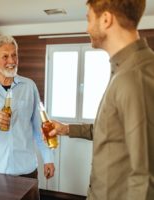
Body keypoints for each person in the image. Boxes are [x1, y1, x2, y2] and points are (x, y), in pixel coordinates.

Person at [47, 0, 154, 199]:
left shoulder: (135, 77)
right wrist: (66, 129)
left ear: (106, 19)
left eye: (89, 19)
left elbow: (146, 178)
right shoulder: (122, 71)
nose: (87, 27)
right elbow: (109, 130)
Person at [0, 35, 55, 179]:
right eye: (5, 56)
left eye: (14, 55)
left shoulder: (29, 87)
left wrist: (48, 158)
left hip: (25, 170)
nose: (11, 61)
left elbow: (41, 127)